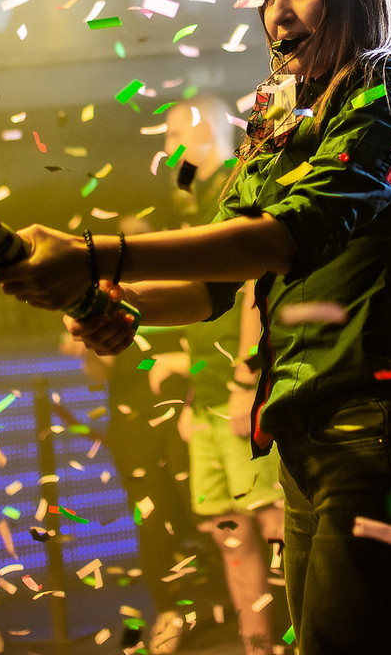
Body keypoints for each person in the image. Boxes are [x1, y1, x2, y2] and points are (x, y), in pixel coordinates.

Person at [0, 0, 391, 655]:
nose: (278, 12)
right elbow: (213, 289)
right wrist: (123, 304)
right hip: (310, 450)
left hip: (384, 448)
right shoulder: (279, 115)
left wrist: (96, 255)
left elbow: (282, 238)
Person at [153, 98, 288, 655]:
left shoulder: (239, 186)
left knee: (273, 521)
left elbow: (257, 289)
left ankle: (302, 640)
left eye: (173, 135)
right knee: (229, 530)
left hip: (240, 391)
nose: (166, 149)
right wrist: (193, 394)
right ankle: (258, 646)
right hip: (209, 395)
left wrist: (243, 383)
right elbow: (206, 310)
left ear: (204, 132)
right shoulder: (196, 202)